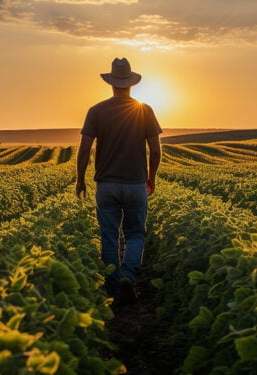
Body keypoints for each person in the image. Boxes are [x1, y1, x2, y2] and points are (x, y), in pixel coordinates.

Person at [76, 57, 162, 306]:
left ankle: (113, 290)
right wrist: (151, 178)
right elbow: (155, 151)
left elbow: (84, 151)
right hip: (136, 184)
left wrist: (80, 180)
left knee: (109, 237)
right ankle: (128, 275)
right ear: (131, 83)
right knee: (135, 234)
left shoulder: (96, 111)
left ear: (111, 83)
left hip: (106, 185)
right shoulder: (144, 110)